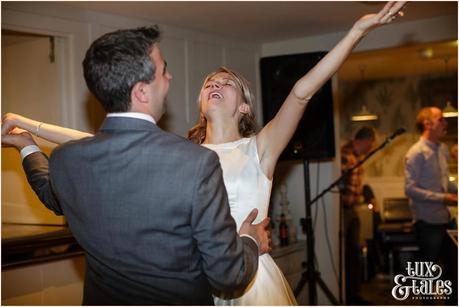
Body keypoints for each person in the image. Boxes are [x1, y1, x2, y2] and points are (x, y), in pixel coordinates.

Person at [2, 2, 407, 304]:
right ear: (198, 103)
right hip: (196, 283)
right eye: (209, 81)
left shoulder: (259, 149)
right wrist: (32, 125)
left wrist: (356, 33)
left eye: (226, 83)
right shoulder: (185, 154)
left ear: (245, 105)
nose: (215, 83)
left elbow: (302, 91)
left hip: (250, 285)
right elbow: (89, 142)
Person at [1, 26, 272, 305]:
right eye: (163, 70)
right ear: (142, 92)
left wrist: (27, 146)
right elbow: (229, 274)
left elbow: (52, 196)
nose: (170, 78)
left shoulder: (66, 160)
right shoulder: (196, 162)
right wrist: (250, 240)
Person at [404, 106, 458, 305]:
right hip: (427, 222)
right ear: (427, 124)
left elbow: (445, 182)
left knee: (454, 269)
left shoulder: (442, 149)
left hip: (445, 219)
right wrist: (443, 198)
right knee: (427, 273)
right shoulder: (416, 152)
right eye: (440, 119)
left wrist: (454, 191)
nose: (445, 123)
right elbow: (409, 189)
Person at [340, 126, 376, 305]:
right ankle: (348, 295)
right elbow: (339, 185)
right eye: (370, 144)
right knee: (348, 254)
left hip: (352, 208)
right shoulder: (345, 155)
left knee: (354, 252)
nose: (370, 148)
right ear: (363, 140)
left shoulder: (357, 157)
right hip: (343, 211)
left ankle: (354, 294)